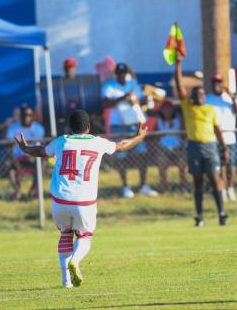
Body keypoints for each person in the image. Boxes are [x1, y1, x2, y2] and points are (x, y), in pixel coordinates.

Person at [14, 110, 148, 288]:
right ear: (89, 127)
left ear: (70, 127)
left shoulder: (62, 141)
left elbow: (40, 151)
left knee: (65, 233)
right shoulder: (98, 142)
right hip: (84, 201)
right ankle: (75, 262)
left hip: (60, 200)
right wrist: (139, 137)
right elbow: (122, 145)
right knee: (85, 236)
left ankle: (66, 281)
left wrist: (24, 148)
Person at [174, 54, 229, 227]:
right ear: (192, 96)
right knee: (198, 182)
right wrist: (178, 65)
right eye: (198, 94)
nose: (201, 96)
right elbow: (179, 85)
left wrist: (225, 147)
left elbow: (217, 129)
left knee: (215, 180)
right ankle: (199, 216)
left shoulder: (210, 109)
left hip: (210, 147)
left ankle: (222, 213)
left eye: (203, 94)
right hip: (194, 147)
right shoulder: (188, 107)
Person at [101, 63, 158, 198]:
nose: (122, 76)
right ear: (116, 74)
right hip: (118, 125)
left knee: (141, 154)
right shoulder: (109, 86)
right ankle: (125, 187)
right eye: (119, 73)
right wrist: (123, 97)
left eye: (124, 73)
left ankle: (143, 185)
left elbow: (141, 100)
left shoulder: (133, 83)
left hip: (134, 123)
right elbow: (105, 103)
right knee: (121, 157)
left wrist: (139, 100)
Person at [206, 74, 237, 202]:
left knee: (231, 165)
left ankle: (230, 188)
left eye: (219, 82)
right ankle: (220, 189)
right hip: (213, 138)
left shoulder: (229, 99)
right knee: (218, 165)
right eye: (215, 82)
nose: (217, 85)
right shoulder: (207, 99)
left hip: (229, 138)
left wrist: (232, 96)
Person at [6, 105, 45, 200]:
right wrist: (13, 159)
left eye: (29, 115)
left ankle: (32, 191)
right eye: (24, 115)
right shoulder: (13, 128)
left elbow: (42, 145)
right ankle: (17, 191)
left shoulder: (38, 128)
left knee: (43, 163)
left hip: (34, 157)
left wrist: (34, 156)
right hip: (18, 157)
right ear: (21, 116)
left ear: (32, 116)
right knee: (8, 165)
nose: (27, 117)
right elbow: (8, 145)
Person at [154, 101, 188, 192]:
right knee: (162, 166)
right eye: (164, 109)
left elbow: (184, 134)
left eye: (169, 109)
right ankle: (163, 187)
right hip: (163, 149)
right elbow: (154, 135)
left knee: (182, 166)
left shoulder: (179, 120)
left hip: (178, 148)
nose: (167, 111)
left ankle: (183, 187)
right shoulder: (159, 121)